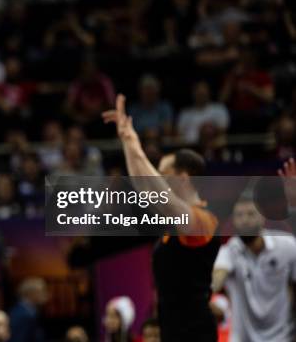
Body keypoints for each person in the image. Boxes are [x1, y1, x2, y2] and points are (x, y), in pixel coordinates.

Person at [103, 95, 220, 341]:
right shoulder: (172, 222)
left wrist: (135, 146)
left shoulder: (203, 221)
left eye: (163, 173)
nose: (157, 178)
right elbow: (144, 186)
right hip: (173, 331)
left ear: (183, 178)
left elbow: (154, 191)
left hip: (195, 334)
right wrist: (127, 140)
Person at [212, 198, 296, 342]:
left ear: (262, 218)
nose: (244, 220)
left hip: (283, 337)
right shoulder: (229, 252)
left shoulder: (287, 245)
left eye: (250, 214)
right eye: (239, 215)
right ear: (233, 221)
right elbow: (216, 280)